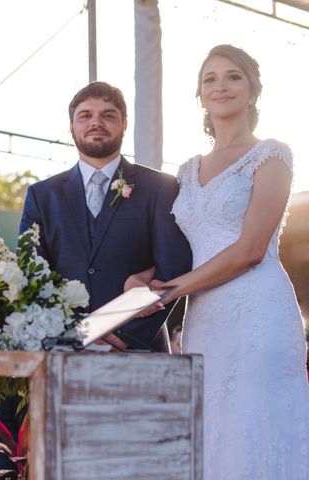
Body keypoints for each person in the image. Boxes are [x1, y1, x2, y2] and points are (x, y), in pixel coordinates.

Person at [134, 44, 309, 478]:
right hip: (206, 318)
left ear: (252, 90)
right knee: (214, 431)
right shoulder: (187, 169)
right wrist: (146, 276)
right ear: (199, 94)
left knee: (257, 427)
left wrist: (175, 289)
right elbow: (179, 247)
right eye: (210, 78)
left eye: (233, 76)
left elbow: (250, 249)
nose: (221, 86)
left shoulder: (271, 155)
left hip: (258, 311)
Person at [19, 81, 192, 351]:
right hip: (62, 348)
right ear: (71, 126)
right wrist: (73, 335)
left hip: (138, 348)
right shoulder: (41, 196)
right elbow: (31, 275)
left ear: (124, 124)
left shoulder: (162, 187)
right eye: (85, 115)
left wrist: (126, 335)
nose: (96, 122)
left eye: (108, 115)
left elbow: (173, 266)